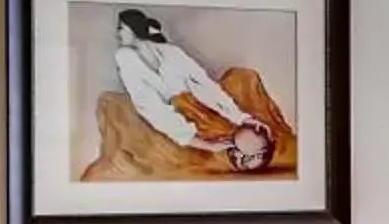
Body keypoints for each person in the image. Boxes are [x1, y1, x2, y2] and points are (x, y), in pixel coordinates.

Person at [111, 10, 276, 170]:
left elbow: (203, 85)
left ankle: (251, 153)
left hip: (200, 109)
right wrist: (204, 145)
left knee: (243, 79)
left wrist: (240, 117)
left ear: (134, 29)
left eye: (121, 28)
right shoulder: (125, 58)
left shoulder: (172, 52)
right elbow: (152, 108)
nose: (117, 34)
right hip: (174, 124)